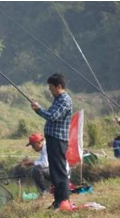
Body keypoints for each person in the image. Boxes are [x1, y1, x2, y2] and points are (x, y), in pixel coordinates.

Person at [31, 73, 72, 210]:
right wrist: (40, 109)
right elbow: (50, 114)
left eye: (51, 87)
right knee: (54, 171)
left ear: (58, 86)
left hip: (58, 140)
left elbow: (52, 116)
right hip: (53, 139)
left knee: (60, 171)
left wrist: (38, 110)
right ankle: (58, 201)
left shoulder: (65, 100)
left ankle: (64, 200)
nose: (50, 90)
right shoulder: (58, 99)